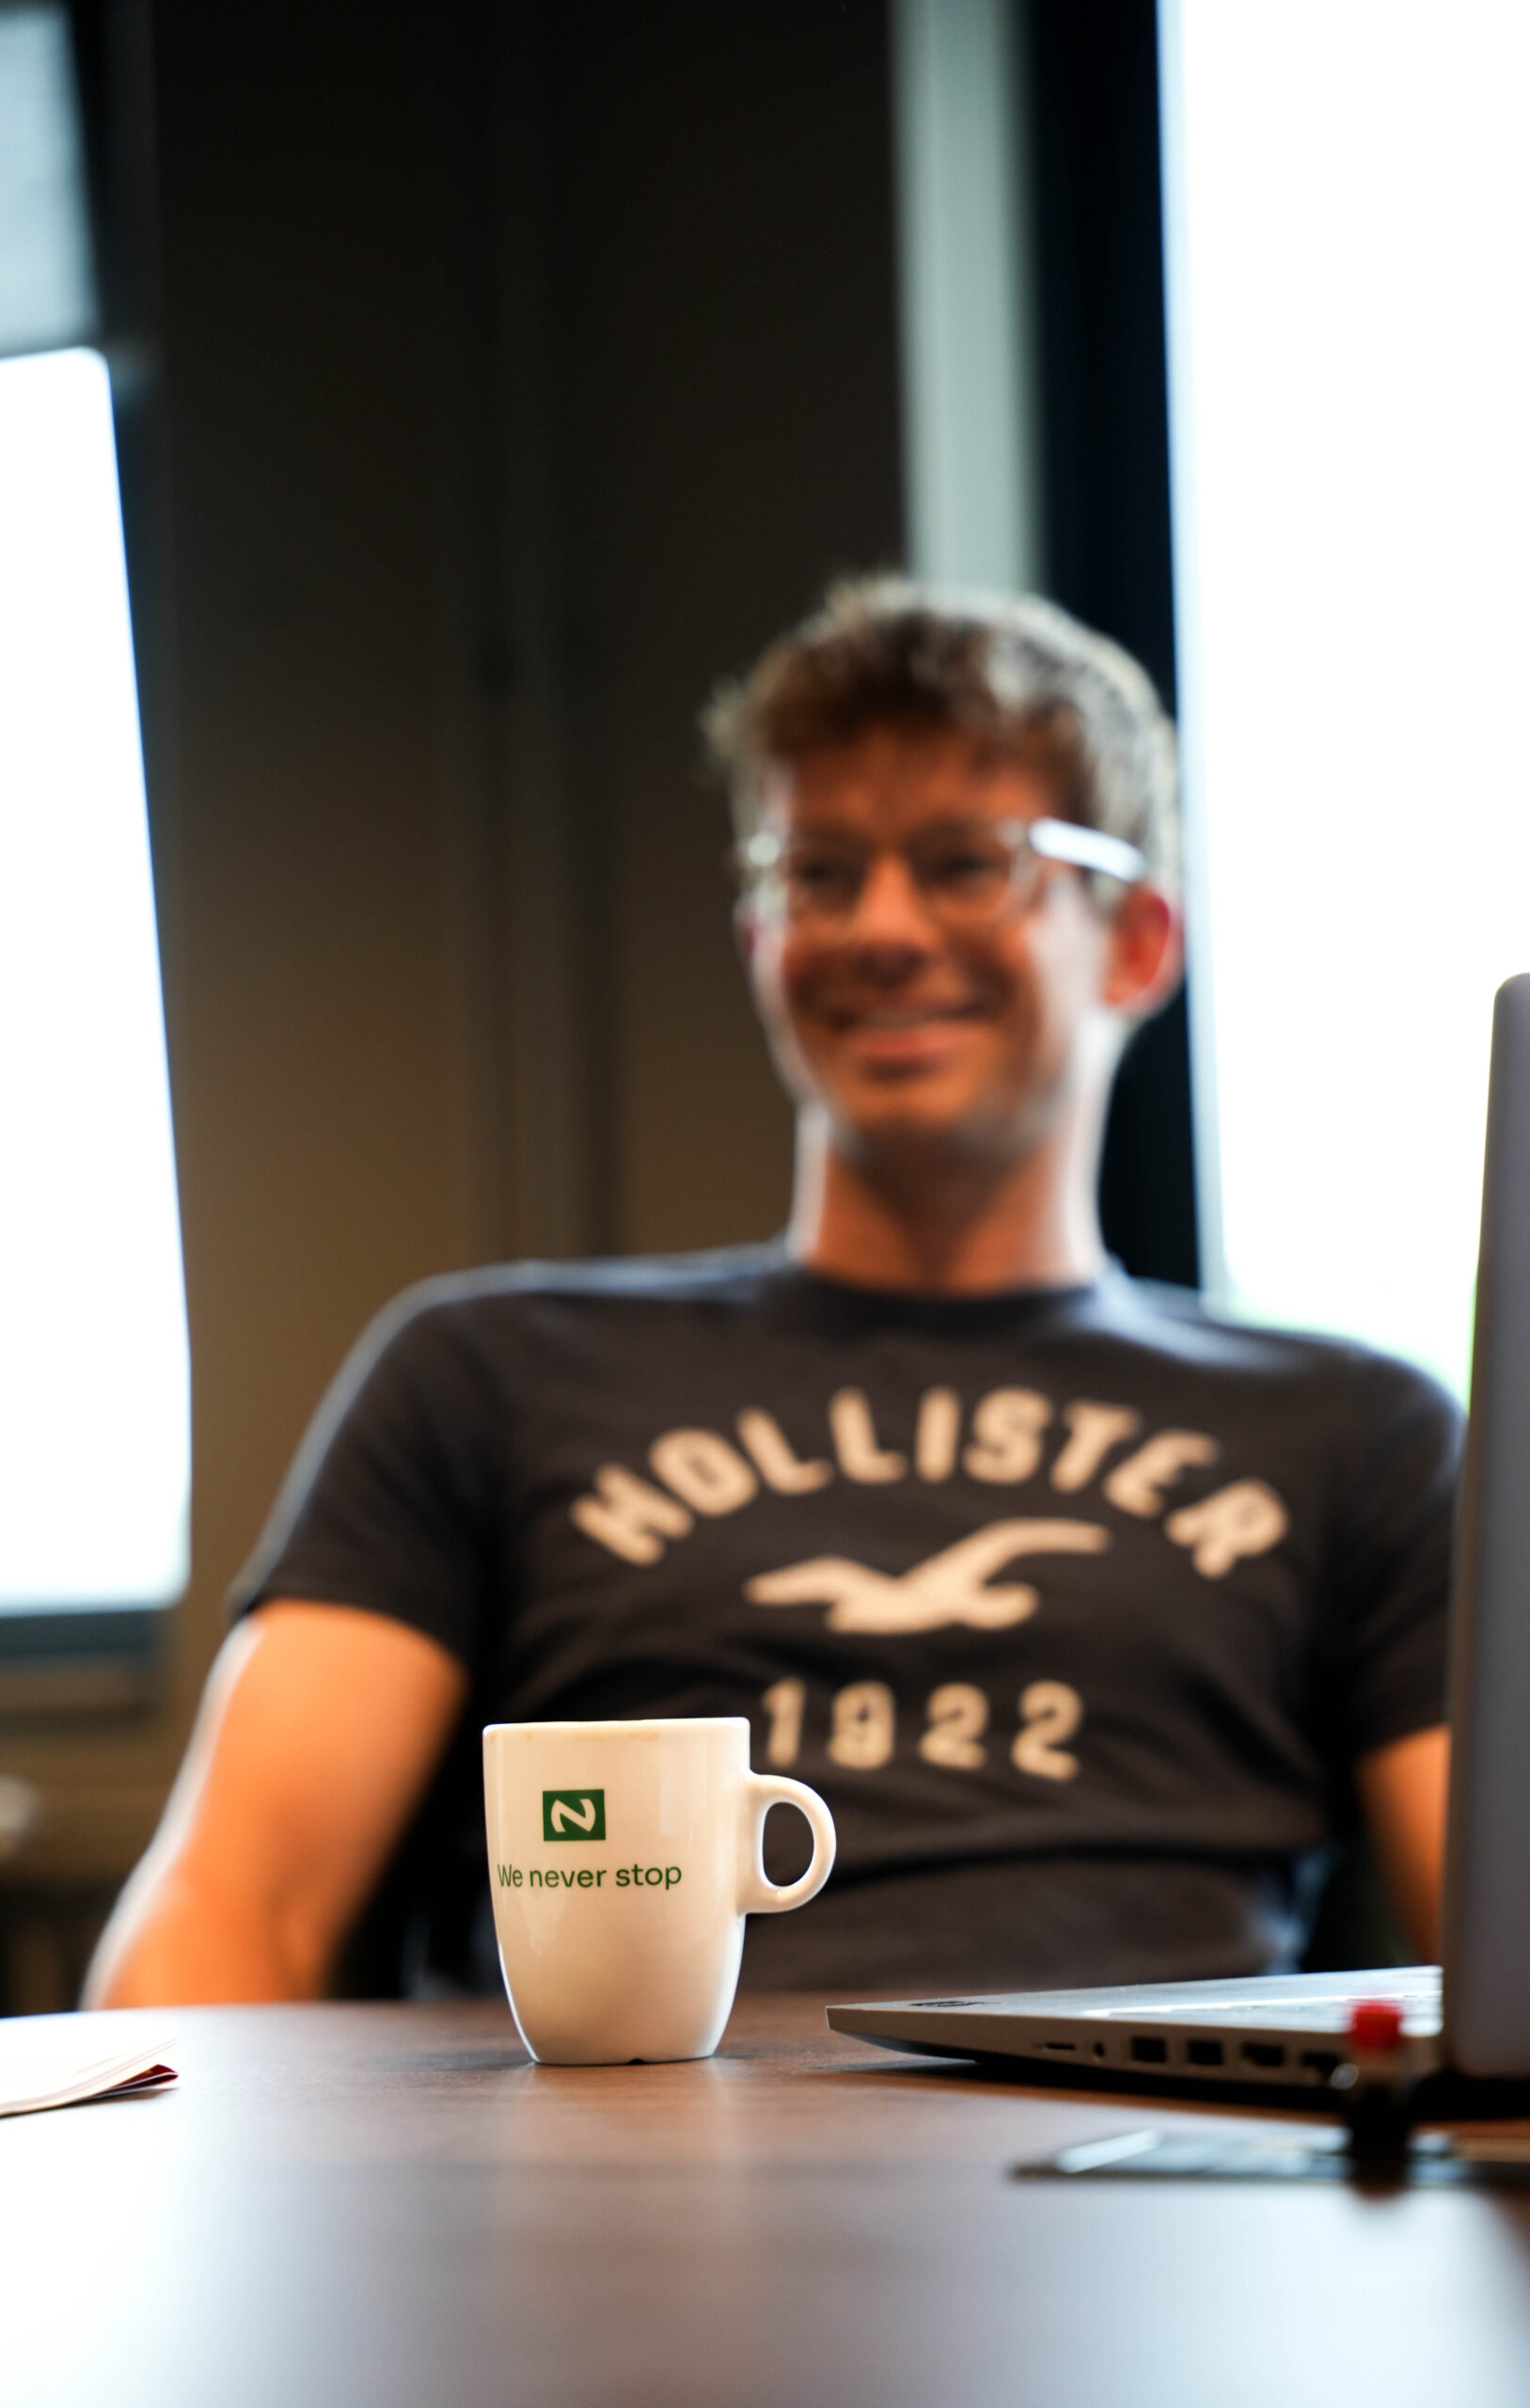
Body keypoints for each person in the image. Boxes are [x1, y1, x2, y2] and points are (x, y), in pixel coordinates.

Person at [87, 580, 1455, 2007]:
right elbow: (232, 1908)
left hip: (1155, 2137)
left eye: (966, 864)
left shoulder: (1358, 1432)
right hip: (607, 2144)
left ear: (1136, 941)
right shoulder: (484, 1376)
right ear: (758, 940)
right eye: (819, 872)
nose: (881, 928)